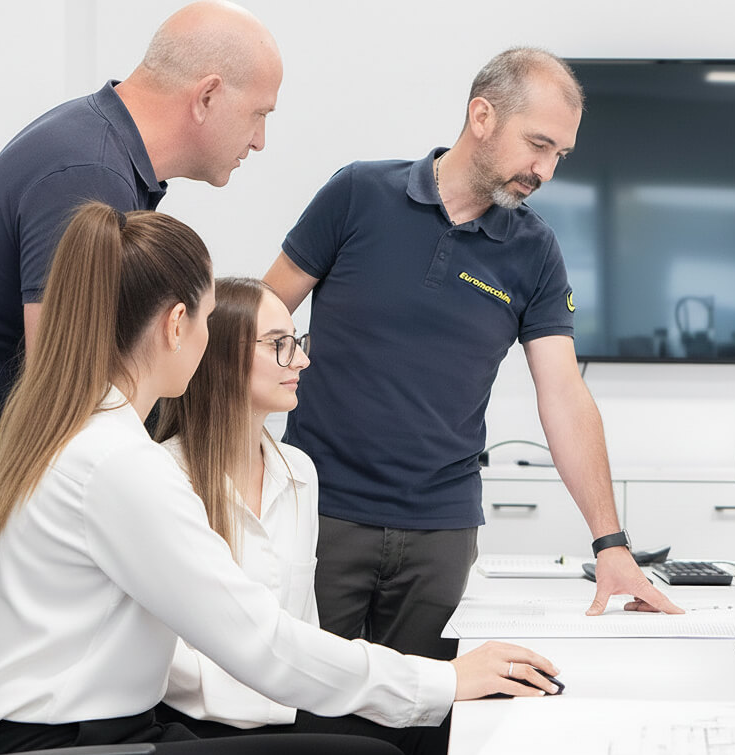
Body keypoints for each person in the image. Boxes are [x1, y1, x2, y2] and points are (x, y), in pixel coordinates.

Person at [0, 202, 559, 755]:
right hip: (73, 752)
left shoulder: (70, 430)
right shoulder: (121, 464)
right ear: (176, 324)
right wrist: (446, 680)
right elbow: (258, 641)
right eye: (210, 319)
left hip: (72, 735)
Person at [0, 0, 283, 676]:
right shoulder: (87, 171)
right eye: (261, 114)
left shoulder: (102, 153)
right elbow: (70, 383)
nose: (261, 140)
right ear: (208, 96)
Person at [263, 47, 682, 664]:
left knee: (421, 723)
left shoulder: (534, 250)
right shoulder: (357, 194)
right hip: (322, 511)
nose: (545, 170)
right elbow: (261, 318)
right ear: (481, 116)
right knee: (305, 709)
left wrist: (610, 543)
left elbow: (563, 393)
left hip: (441, 530)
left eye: (559, 155)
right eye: (537, 144)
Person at [151, 277, 445, 755]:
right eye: (279, 345)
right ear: (217, 352)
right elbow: (171, 659)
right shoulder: (163, 474)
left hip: (287, 703)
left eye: (297, 343)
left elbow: (303, 628)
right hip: (197, 722)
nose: (302, 361)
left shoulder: (298, 471)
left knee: (444, 724)